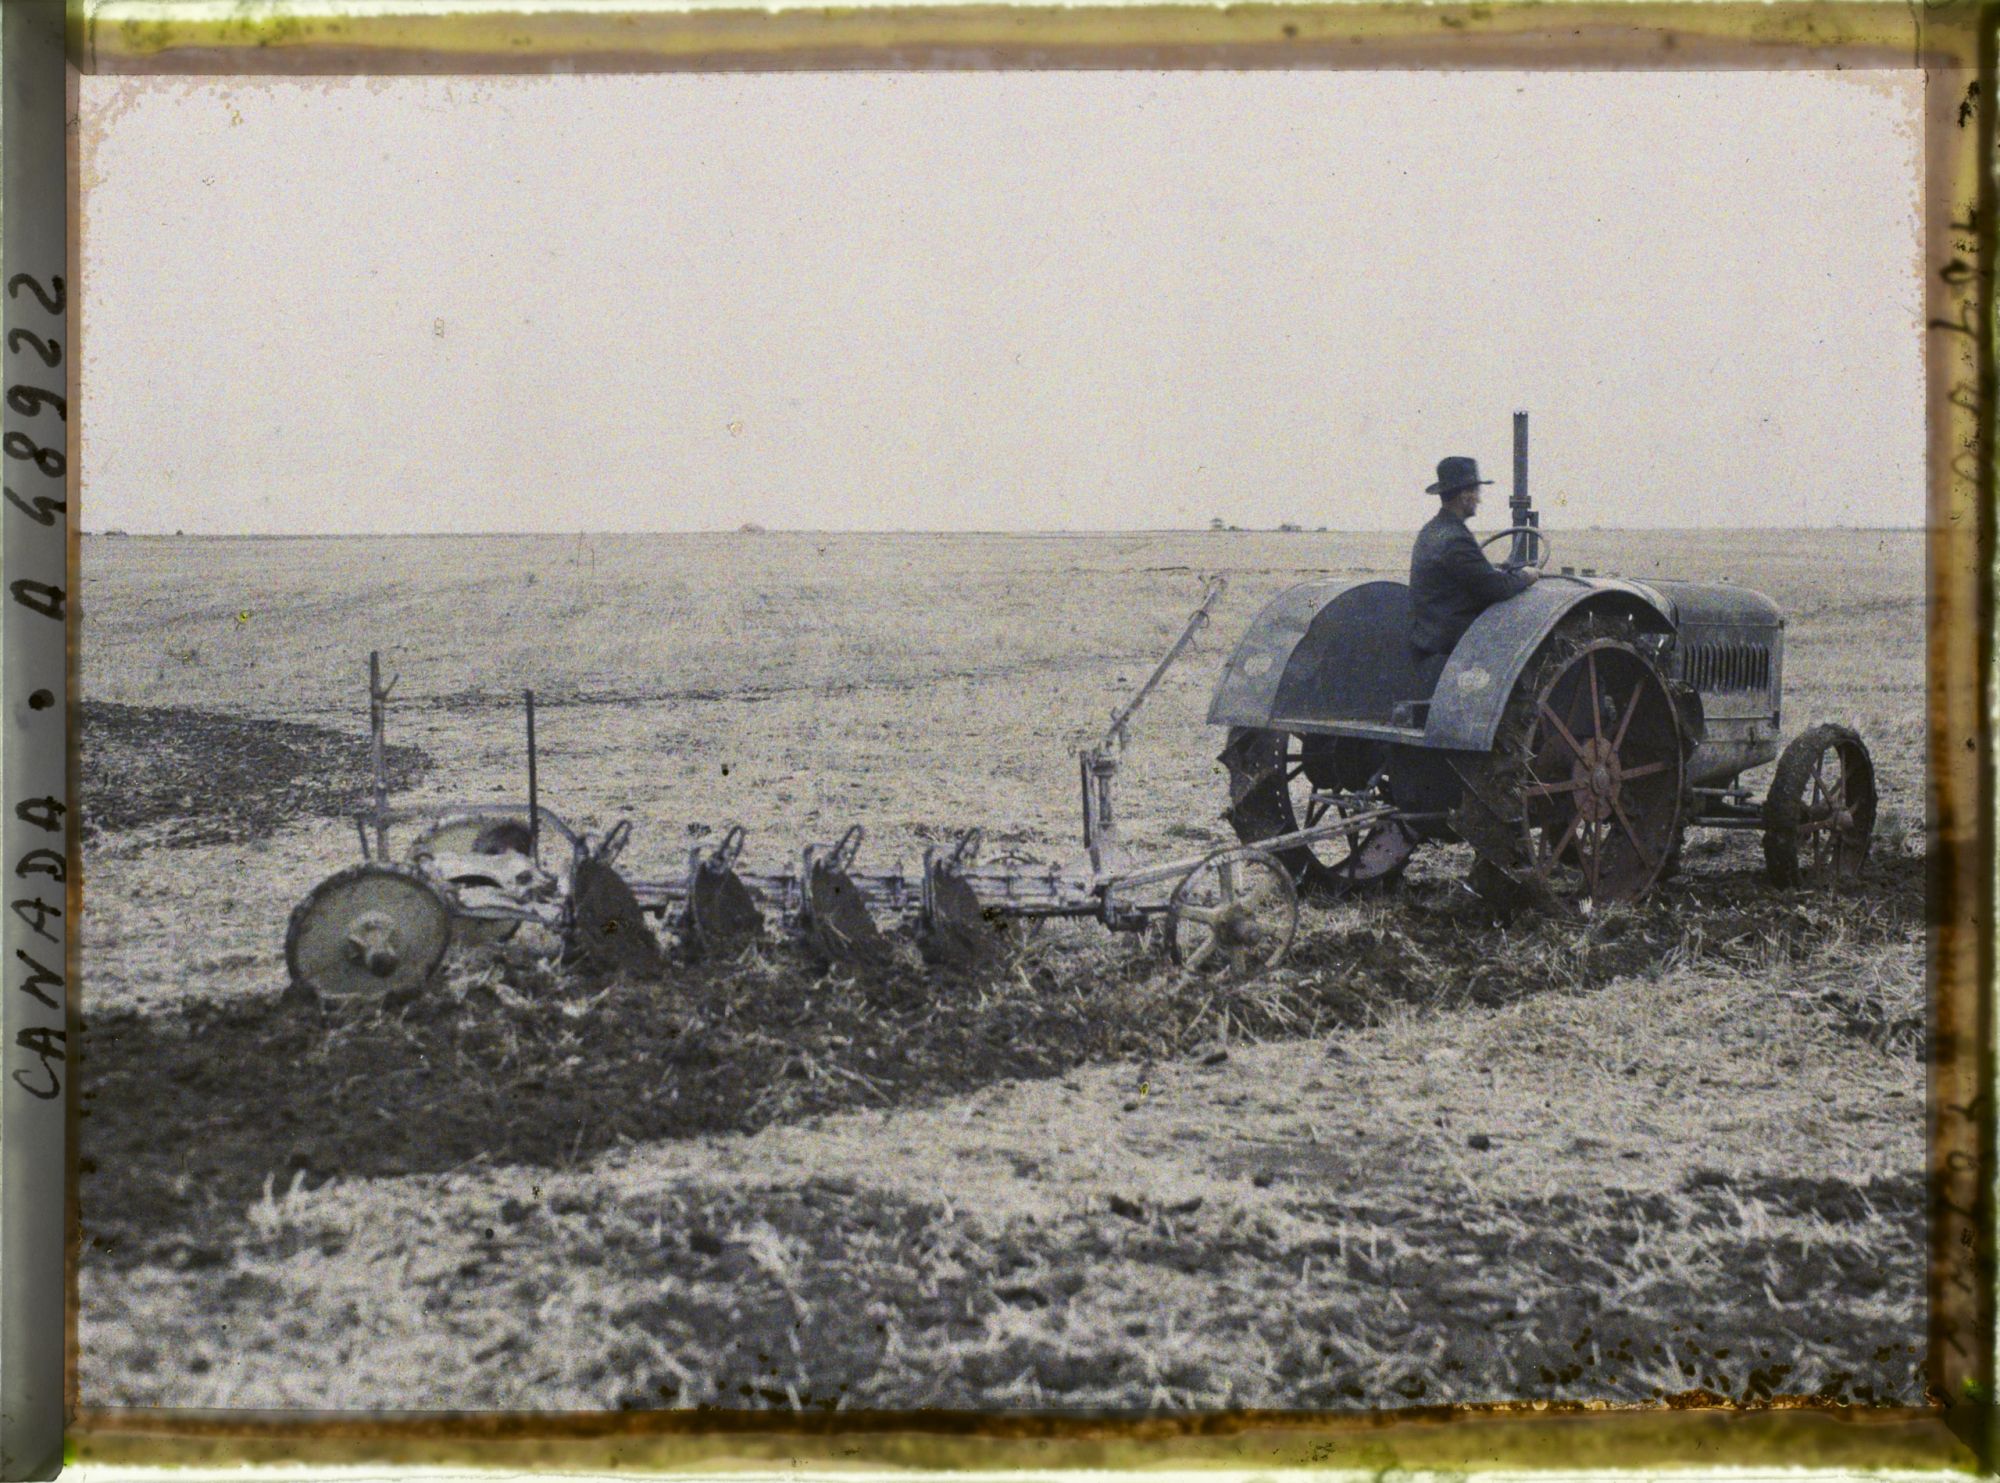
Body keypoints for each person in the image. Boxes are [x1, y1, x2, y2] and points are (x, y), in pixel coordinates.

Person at [1408, 455, 1539, 693]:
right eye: (1477, 493)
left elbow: (1472, 577)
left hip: (1431, 640)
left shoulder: (1431, 532)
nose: (1479, 500)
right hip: (1455, 645)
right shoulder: (1456, 538)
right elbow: (1496, 588)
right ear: (1465, 496)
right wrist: (1527, 576)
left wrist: (1497, 571)